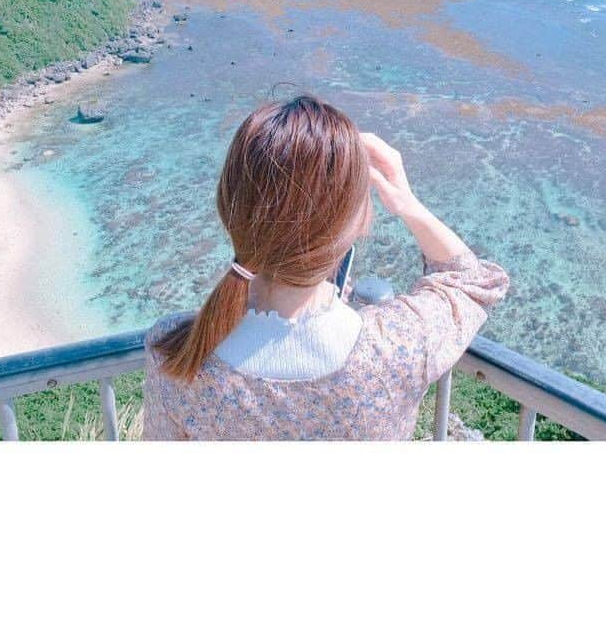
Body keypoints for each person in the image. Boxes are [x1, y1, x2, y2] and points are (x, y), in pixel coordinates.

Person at [143, 93, 509, 440]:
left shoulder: (174, 353)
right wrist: (407, 203)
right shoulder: (398, 347)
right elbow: (472, 280)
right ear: (357, 224)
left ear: (228, 209)